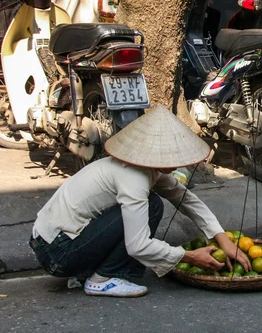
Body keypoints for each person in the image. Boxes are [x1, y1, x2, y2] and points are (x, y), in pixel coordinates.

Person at [29, 104, 250, 298]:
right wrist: (189, 256)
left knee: (153, 203)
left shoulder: (145, 169)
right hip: (57, 252)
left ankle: (102, 268)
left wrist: (221, 237)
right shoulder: (133, 179)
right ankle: (104, 278)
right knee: (153, 205)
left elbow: (185, 199)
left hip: (54, 240)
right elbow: (138, 245)